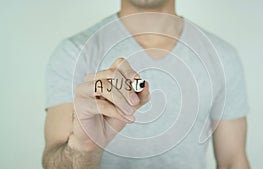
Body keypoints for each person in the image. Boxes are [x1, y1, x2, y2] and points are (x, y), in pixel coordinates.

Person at [42, 0, 251, 168]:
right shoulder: (74, 53)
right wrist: (85, 146)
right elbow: (54, 162)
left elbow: (233, 161)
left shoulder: (222, 57)